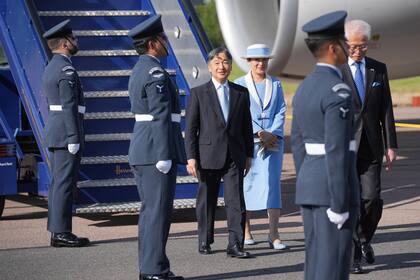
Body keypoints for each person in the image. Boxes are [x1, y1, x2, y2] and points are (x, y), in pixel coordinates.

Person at [291, 11, 360, 280]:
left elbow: (297, 143)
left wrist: (309, 179)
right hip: (333, 193)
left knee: (317, 264)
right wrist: (340, 202)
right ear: (333, 48)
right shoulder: (337, 90)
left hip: (310, 187)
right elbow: (337, 150)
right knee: (333, 268)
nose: (347, 48)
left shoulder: (305, 88)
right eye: (344, 43)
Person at [127, 15, 186, 280]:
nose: (166, 43)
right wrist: (164, 154)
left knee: (152, 212)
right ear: (152, 43)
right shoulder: (154, 72)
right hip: (155, 151)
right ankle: (154, 270)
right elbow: (161, 115)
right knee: (157, 213)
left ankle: (150, 267)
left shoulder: (143, 68)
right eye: (162, 39)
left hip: (147, 148)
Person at [184, 47, 254, 258]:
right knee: (207, 201)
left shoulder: (241, 93)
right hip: (207, 155)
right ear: (209, 66)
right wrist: (191, 157)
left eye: (225, 62)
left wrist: (249, 155)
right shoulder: (198, 93)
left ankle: (235, 244)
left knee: (235, 201)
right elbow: (191, 129)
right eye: (217, 63)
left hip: (235, 156)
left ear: (231, 65)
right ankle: (205, 240)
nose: (222, 66)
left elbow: (246, 127)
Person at [340, 19, 398, 274]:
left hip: (372, 146)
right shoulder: (336, 70)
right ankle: (354, 257)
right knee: (351, 202)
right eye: (353, 46)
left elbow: (386, 109)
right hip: (344, 147)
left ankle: (364, 239)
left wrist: (391, 145)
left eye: (362, 46)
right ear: (344, 44)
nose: (357, 51)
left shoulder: (378, 69)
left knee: (372, 199)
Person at [234, 44, 287, 250]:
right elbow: (240, 113)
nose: (260, 63)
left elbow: (281, 109)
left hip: (274, 143)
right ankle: (246, 230)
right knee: (247, 186)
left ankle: (273, 233)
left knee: (273, 186)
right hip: (250, 143)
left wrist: (272, 133)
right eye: (256, 59)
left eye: (263, 60)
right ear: (248, 61)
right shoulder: (239, 84)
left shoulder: (276, 84)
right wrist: (258, 132)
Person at [42, 20, 90, 247]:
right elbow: (69, 105)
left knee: (59, 183)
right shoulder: (66, 69)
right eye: (73, 39)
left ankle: (57, 231)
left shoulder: (54, 65)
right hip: (65, 133)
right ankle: (61, 233)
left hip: (58, 131)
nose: (76, 41)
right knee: (64, 183)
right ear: (64, 43)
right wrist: (73, 137)